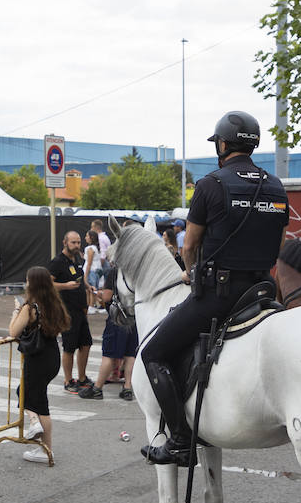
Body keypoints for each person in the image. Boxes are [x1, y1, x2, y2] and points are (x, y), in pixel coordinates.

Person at [141, 110, 290, 466]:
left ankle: (179, 440)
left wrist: (191, 276)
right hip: (262, 291)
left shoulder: (211, 184)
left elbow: (189, 246)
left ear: (223, 144)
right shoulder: (275, 185)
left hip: (220, 295)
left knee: (154, 353)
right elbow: (281, 244)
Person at [8, 266, 70, 462]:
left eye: (27, 280)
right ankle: (45, 447)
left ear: (32, 283)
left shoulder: (30, 307)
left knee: (32, 398)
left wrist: (16, 311)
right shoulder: (54, 304)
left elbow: (13, 332)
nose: (26, 284)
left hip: (36, 358)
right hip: (51, 356)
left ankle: (40, 436)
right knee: (36, 398)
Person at [78, 260, 137, 401]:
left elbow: (107, 297)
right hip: (134, 317)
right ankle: (127, 388)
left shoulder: (115, 272)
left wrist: (99, 295)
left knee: (109, 354)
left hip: (117, 318)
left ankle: (97, 388)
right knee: (130, 355)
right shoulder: (136, 272)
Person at [48, 230, 92, 393]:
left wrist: (87, 286)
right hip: (66, 311)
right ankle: (68, 380)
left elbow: (81, 278)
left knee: (86, 344)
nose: (77, 245)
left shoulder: (78, 258)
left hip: (80, 310)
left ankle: (82, 377)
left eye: (79, 242)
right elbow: (47, 283)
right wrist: (65, 286)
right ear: (64, 242)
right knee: (69, 347)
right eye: (73, 242)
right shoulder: (57, 262)